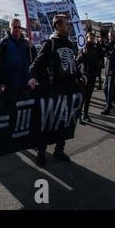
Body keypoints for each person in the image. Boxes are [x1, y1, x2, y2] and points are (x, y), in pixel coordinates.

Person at [29, 14, 84, 167]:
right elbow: (37, 62)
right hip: (53, 91)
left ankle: (59, 150)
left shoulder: (69, 43)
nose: (69, 26)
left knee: (65, 121)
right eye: (66, 24)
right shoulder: (50, 43)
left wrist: (80, 75)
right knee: (48, 122)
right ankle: (41, 153)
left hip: (68, 89)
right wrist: (33, 76)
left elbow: (72, 63)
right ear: (58, 26)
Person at [0, 18, 37, 92]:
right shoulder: (4, 43)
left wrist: (32, 48)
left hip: (26, 82)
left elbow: (34, 59)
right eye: (14, 27)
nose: (17, 29)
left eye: (19, 27)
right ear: (10, 28)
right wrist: (2, 82)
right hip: (11, 84)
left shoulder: (26, 43)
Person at [77, 32, 102, 123]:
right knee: (82, 97)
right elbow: (78, 61)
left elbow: (97, 60)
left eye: (92, 38)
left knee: (88, 98)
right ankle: (79, 115)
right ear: (86, 38)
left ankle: (86, 115)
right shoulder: (83, 47)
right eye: (90, 38)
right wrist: (83, 53)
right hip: (84, 77)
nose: (91, 39)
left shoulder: (95, 48)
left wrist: (97, 71)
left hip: (92, 77)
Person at [101, 29, 115, 115]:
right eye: (109, 36)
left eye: (111, 36)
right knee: (104, 89)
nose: (110, 37)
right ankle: (109, 103)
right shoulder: (109, 45)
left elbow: (111, 56)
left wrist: (107, 52)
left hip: (113, 71)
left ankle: (108, 107)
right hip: (107, 70)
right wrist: (102, 44)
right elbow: (105, 51)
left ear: (114, 36)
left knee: (109, 90)